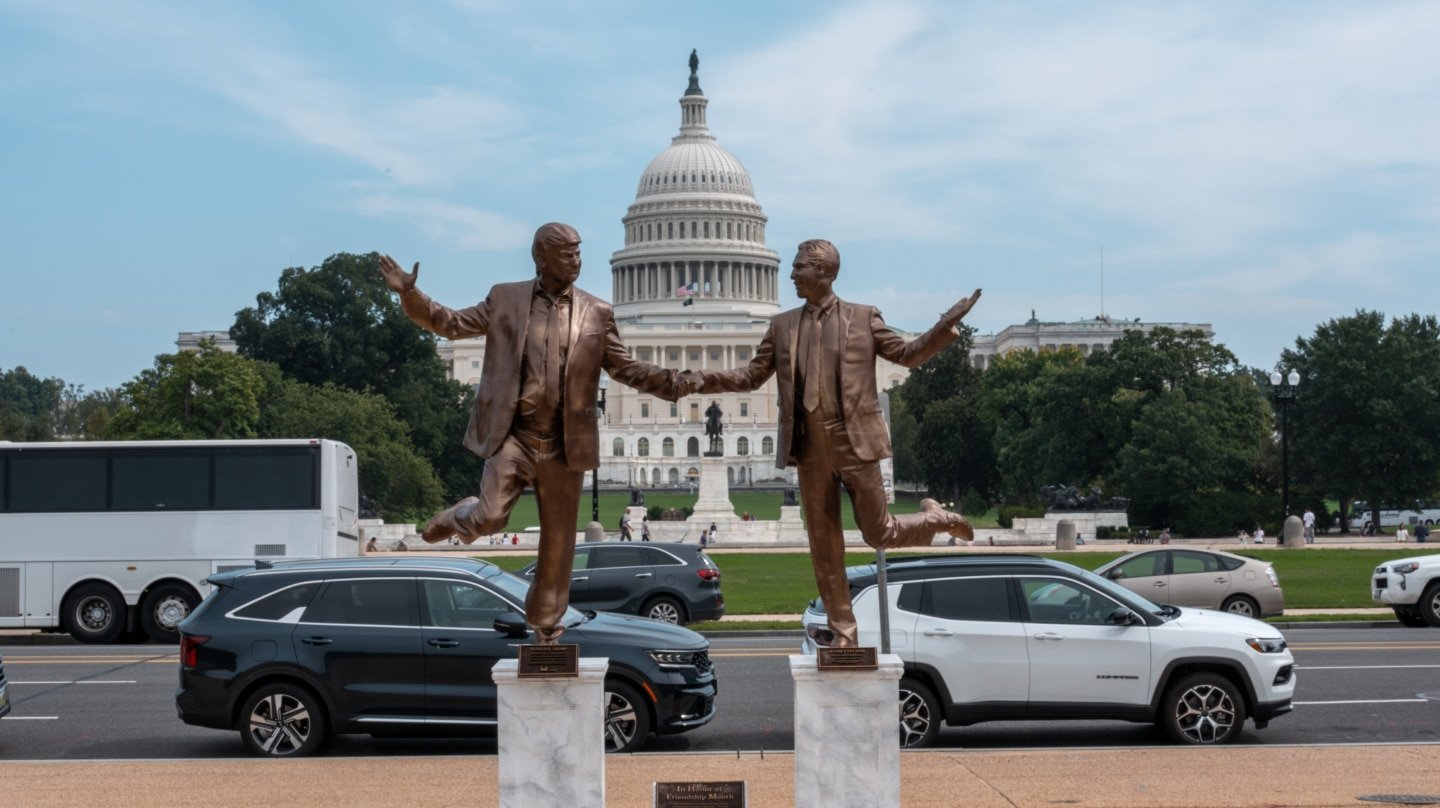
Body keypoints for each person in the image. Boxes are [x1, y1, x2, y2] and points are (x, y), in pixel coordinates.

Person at [379, 223, 693, 644]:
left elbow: (624, 368)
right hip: (515, 434)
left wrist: (674, 383)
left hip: (565, 443)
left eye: (580, 254)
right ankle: (457, 516)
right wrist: (409, 294)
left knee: (559, 544)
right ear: (541, 258)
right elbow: (451, 324)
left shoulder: (597, 312)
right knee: (490, 517)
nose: (576, 262)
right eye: (567, 255)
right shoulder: (505, 298)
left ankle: (546, 628)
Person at [684, 238, 979, 648]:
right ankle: (844, 633)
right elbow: (752, 377)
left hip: (853, 440)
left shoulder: (863, 317)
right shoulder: (782, 325)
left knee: (879, 534)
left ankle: (936, 519)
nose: (791, 274)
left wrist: (944, 328)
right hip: (809, 447)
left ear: (824, 272)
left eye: (799, 267)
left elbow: (908, 355)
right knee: (824, 549)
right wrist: (702, 380)